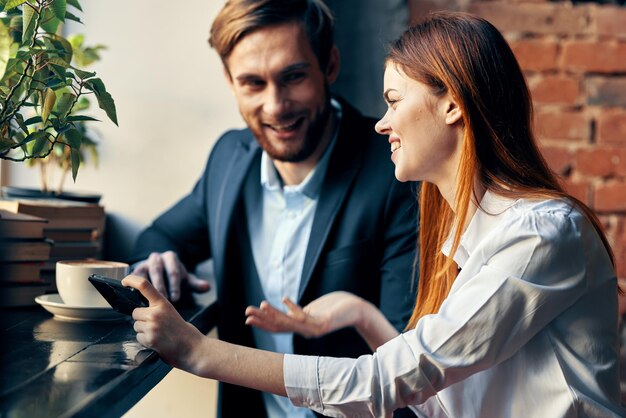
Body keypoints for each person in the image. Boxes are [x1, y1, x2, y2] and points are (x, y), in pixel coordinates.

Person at [124, 11, 625, 418]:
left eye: (393, 100)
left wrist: (198, 352)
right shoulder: (476, 234)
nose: (382, 123)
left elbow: (390, 382)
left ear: (451, 104)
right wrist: (358, 312)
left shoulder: (539, 234)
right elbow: (431, 395)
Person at [128, 0, 418, 417]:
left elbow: (402, 363)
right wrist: (160, 262)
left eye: (293, 76)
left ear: (330, 65)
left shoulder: (397, 171)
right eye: (252, 83)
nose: (276, 105)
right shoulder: (229, 157)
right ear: (229, 81)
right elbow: (160, 236)